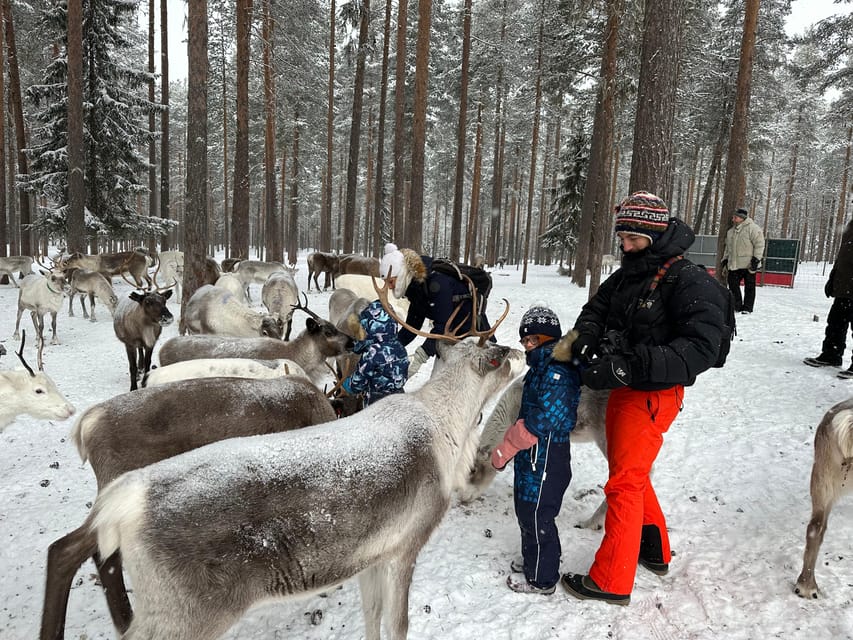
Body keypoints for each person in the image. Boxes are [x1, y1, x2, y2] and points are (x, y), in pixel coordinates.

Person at [560, 191, 726, 606]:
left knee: (625, 481)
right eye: (623, 238)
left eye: (633, 238)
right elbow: (595, 310)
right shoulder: (630, 273)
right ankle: (654, 549)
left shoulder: (688, 280)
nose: (625, 245)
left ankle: (612, 580)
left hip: (652, 393)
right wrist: (582, 341)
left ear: (655, 233)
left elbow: (701, 348)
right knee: (627, 469)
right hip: (624, 388)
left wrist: (626, 366)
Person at [490, 306, 581, 595]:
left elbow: (544, 419)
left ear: (547, 339)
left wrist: (508, 446)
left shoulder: (557, 372)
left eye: (532, 340)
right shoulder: (541, 368)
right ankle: (537, 560)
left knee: (538, 514)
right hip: (533, 457)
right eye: (524, 341)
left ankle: (542, 578)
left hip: (547, 456)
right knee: (527, 509)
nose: (527, 346)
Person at [379, 243, 492, 376]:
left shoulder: (437, 282)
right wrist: (391, 347)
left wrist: (420, 356)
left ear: (401, 274)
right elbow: (413, 324)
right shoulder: (416, 287)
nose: (390, 287)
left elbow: (442, 326)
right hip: (449, 339)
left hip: (471, 337)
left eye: (391, 282)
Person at [804, 219, 853, 379]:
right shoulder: (851, 224)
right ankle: (831, 354)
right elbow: (843, 254)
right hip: (843, 286)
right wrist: (833, 278)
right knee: (836, 322)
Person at [340, 299, 409, 406]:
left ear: (371, 325)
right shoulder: (400, 347)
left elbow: (358, 383)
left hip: (377, 402)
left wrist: (347, 385)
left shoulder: (373, 353)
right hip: (399, 398)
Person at [721, 207, 765, 314]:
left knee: (749, 287)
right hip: (734, 264)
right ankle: (737, 306)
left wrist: (756, 260)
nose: (733, 219)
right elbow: (728, 248)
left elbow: (759, 244)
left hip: (749, 264)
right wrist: (725, 260)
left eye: (735, 217)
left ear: (742, 218)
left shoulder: (753, 229)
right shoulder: (730, 232)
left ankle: (747, 308)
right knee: (733, 285)